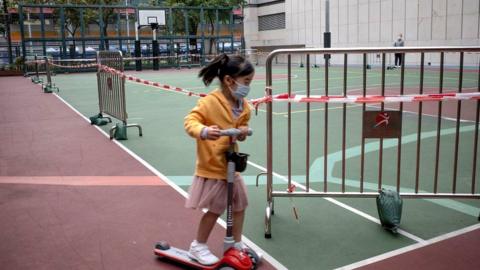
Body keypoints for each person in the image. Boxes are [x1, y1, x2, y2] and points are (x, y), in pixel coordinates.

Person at [184, 53, 254, 265]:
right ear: (229, 80)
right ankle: (198, 246)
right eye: (246, 82)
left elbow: (240, 130)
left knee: (240, 204)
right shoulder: (211, 102)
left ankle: (235, 243)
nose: (248, 87)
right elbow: (190, 121)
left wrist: (241, 132)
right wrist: (204, 131)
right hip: (214, 166)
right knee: (216, 209)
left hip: (232, 164)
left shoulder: (244, 106)